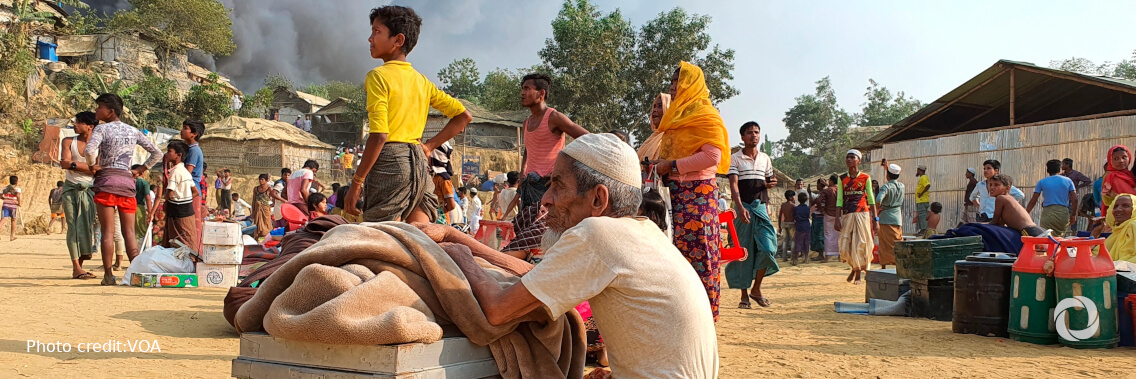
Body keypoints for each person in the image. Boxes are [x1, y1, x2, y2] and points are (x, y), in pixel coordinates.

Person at [426, 133, 719, 378]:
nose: (546, 199)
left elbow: (498, 310)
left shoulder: (597, 233)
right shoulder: (645, 234)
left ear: (597, 199)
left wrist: (459, 256)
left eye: (558, 185)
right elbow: (536, 278)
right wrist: (456, 236)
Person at [344, 6, 473, 225]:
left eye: (376, 32)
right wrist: (430, 146)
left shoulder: (378, 76)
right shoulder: (422, 81)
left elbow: (379, 135)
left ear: (398, 39)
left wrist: (357, 182)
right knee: (419, 235)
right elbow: (464, 116)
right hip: (419, 161)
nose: (370, 38)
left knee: (386, 237)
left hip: (389, 162)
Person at [649, 62, 731, 322]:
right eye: (673, 82)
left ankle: (705, 317)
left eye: (679, 81)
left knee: (701, 253)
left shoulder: (706, 115)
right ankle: (681, 315)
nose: (673, 87)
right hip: (674, 193)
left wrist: (672, 165)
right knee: (676, 252)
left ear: (692, 84)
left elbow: (712, 157)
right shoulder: (676, 116)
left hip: (698, 194)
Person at [501, 73, 589, 253]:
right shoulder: (527, 123)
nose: (522, 93)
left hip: (547, 188)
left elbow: (587, 139)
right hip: (529, 188)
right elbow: (529, 147)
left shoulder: (554, 117)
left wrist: (565, 171)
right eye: (522, 88)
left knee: (542, 236)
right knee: (526, 234)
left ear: (541, 94)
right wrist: (523, 170)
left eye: (527, 89)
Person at [85, 94, 162, 285]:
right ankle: (134, 273)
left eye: (99, 107)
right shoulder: (133, 131)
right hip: (127, 184)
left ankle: (108, 275)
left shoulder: (101, 129)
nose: (96, 110)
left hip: (106, 183)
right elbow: (157, 153)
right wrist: (141, 169)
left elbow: (89, 151)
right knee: (129, 232)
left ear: (110, 111)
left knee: (108, 232)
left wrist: (93, 166)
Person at [725, 121, 779, 309]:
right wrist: (739, 208)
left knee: (768, 247)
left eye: (756, 132)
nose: (753, 135)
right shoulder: (735, 158)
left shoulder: (765, 158)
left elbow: (769, 180)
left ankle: (757, 289)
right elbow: (733, 185)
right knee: (744, 251)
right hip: (743, 208)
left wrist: (770, 184)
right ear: (742, 137)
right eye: (749, 133)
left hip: (760, 207)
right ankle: (744, 295)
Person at [60, 111, 98, 279]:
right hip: (71, 188)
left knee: (86, 226)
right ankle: (76, 267)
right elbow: (64, 163)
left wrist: (75, 164)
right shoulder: (68, 141)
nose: (75, 125)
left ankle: (80, 266)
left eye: (78, 122)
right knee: (73, 226)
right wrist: (89, 167)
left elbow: (100, 168)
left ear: (90, 126)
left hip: (89, 191)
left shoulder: (99, 145)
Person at [835, 149, 877, 284]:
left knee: (861, 243)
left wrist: (876, 220)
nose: (849, 160)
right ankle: (854, 267)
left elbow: (871, 199)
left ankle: (858, 271)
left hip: (862, 214)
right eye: (847, 157)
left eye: (852, 157)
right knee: (845, 245)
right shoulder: (842, 179)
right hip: (847, 214)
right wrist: (837, 218)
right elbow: (839, 200)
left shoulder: (866, 178)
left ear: (859, 160)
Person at [162, 140, 199, 250]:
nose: (167, 154)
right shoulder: (185, 171)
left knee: (177, 240)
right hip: (187, 210)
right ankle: (191, 260)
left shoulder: (175, 172)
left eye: (169, 151)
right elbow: (196, 192)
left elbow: (170, 192)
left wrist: (164, 200)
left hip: (177, 212)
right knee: (188, 238)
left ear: (178, 155)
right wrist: (185, 199)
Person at [1025, 159, 1078, 236]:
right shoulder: (1068, 181)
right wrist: (1073, 214)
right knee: (1060, 238)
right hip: (1063, 213)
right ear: (1060, 169)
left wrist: (1026, 213)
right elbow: (1075, 199)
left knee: (1046, 237)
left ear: (1047, 170)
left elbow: (1033, 200)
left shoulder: (1042, 182)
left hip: (1048, 213)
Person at [180, 120, 206, 252]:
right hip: (191, 190)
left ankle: (195, 252)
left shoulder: (194, 151)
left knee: (192, 225)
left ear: (194, 134)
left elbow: (186, 173)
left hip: (192, 191)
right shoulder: (190, 149)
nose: (182, 130)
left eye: (185, 128)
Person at [876, 164, 905, 270]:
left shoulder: (886, 187)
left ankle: (884, 265)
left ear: (887, 175)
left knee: (884, 243)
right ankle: (898, 263)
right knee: (897, 241)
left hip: (885, 217)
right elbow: (892, 176)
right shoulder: (902, 186)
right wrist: (887, 167)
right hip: (897, 217)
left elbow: (879, 199)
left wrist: (877, 209)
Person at [1096, 194, 1136, 263]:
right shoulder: (1117, 232)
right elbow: (1096, 255)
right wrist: (1094, 233)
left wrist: (1119, 265)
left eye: (1126, 206)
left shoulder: (1133, 225)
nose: (1118, 209)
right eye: (1115, 207)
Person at [636, 93, 672, 162]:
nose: (654, 110)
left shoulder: (673, 137)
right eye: (654, 107)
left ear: (669, 110)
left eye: (660, 106)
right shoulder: (651, 139)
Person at [1102, 145, 1136, 216]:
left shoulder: (1127, 174)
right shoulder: (1113, 176)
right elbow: (1131, 197)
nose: (1121, 161)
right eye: (1116, 159)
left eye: (1124, 157)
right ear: (1110, 161)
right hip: (1121, 216)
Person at [132, 165, 152, 247]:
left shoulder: (130, 181)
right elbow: (147, 197)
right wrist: (150, 212)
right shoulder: (144, 183)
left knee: (132, 230)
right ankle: (140, 250)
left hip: (130, 206)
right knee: (141, 230)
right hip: (140, 207)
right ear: (141, 172)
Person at [821, 174, 840, 262]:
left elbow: (818, 200)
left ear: (831, 181)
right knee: (839, 235)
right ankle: (840, 256)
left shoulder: (827, 190)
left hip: (829, 213)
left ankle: (828, 256)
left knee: (828, 235)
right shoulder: (841, 190)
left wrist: (822, 210)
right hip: (839, 214)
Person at [251, 174, 274, 239]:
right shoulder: (256, 189)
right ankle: (257, 238)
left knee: (267, 223)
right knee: (257, 224)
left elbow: (274, 197)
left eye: (262, 179)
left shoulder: (269, 189)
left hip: (265, 209)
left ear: (266, 180)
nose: (261, 181)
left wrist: (271, 205)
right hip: (257, 209)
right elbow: (254, 200)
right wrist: (253, 211)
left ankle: (267, 237)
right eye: (260, 179)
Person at [792, 192, 811, 266]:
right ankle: (806, 258)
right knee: (806, 242)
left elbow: (794, 216)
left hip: (799, 226)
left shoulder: (796, 208)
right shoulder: (807, 208)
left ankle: (796, 259)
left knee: (798, 242)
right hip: (807, 226)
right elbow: (808, 216)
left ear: (798, 199)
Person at [810, 179, 826, 259]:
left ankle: (821, 254)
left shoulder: (824, 194)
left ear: (820, 185)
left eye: (817, 184)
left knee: (818, 235)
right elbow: (812, 203)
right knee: (819, 235)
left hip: (820, 217)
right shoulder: (821, 194)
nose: (816, 186)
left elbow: (814, 203)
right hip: (818, 217)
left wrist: (821, 210)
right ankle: (821, 253)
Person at [778, 190, 796, 261]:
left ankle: (784, 257)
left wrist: (779, 226)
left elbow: (780, 216)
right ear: (790, 197)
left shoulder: (783, 205)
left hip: (784, 224)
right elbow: (795, 216)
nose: (794, 197)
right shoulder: (793, 206)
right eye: (794, 196)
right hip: (791, 224)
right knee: (793, 241)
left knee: (785, 241)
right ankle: (792, 257)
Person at [1, 176, 21, 241]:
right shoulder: (17, 189)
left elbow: (0, 195)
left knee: (3, 220)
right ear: (16, 182)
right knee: (13, 220)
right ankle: (12, 236)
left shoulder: (5, 188)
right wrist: (19, 203)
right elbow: (18, 195)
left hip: (5, 205)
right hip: (13, 206)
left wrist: (4, 198)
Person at [914, 165, 931, 235]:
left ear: (919, 170)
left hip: (922, 200)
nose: (917, 171)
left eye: (917, 170)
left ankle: (923, 230)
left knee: (922, 215)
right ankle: (923, 230)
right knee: (922, 215)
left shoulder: (923, 177)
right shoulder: (923, 177)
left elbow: (928, 185)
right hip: (921, 200)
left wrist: (921, 193)